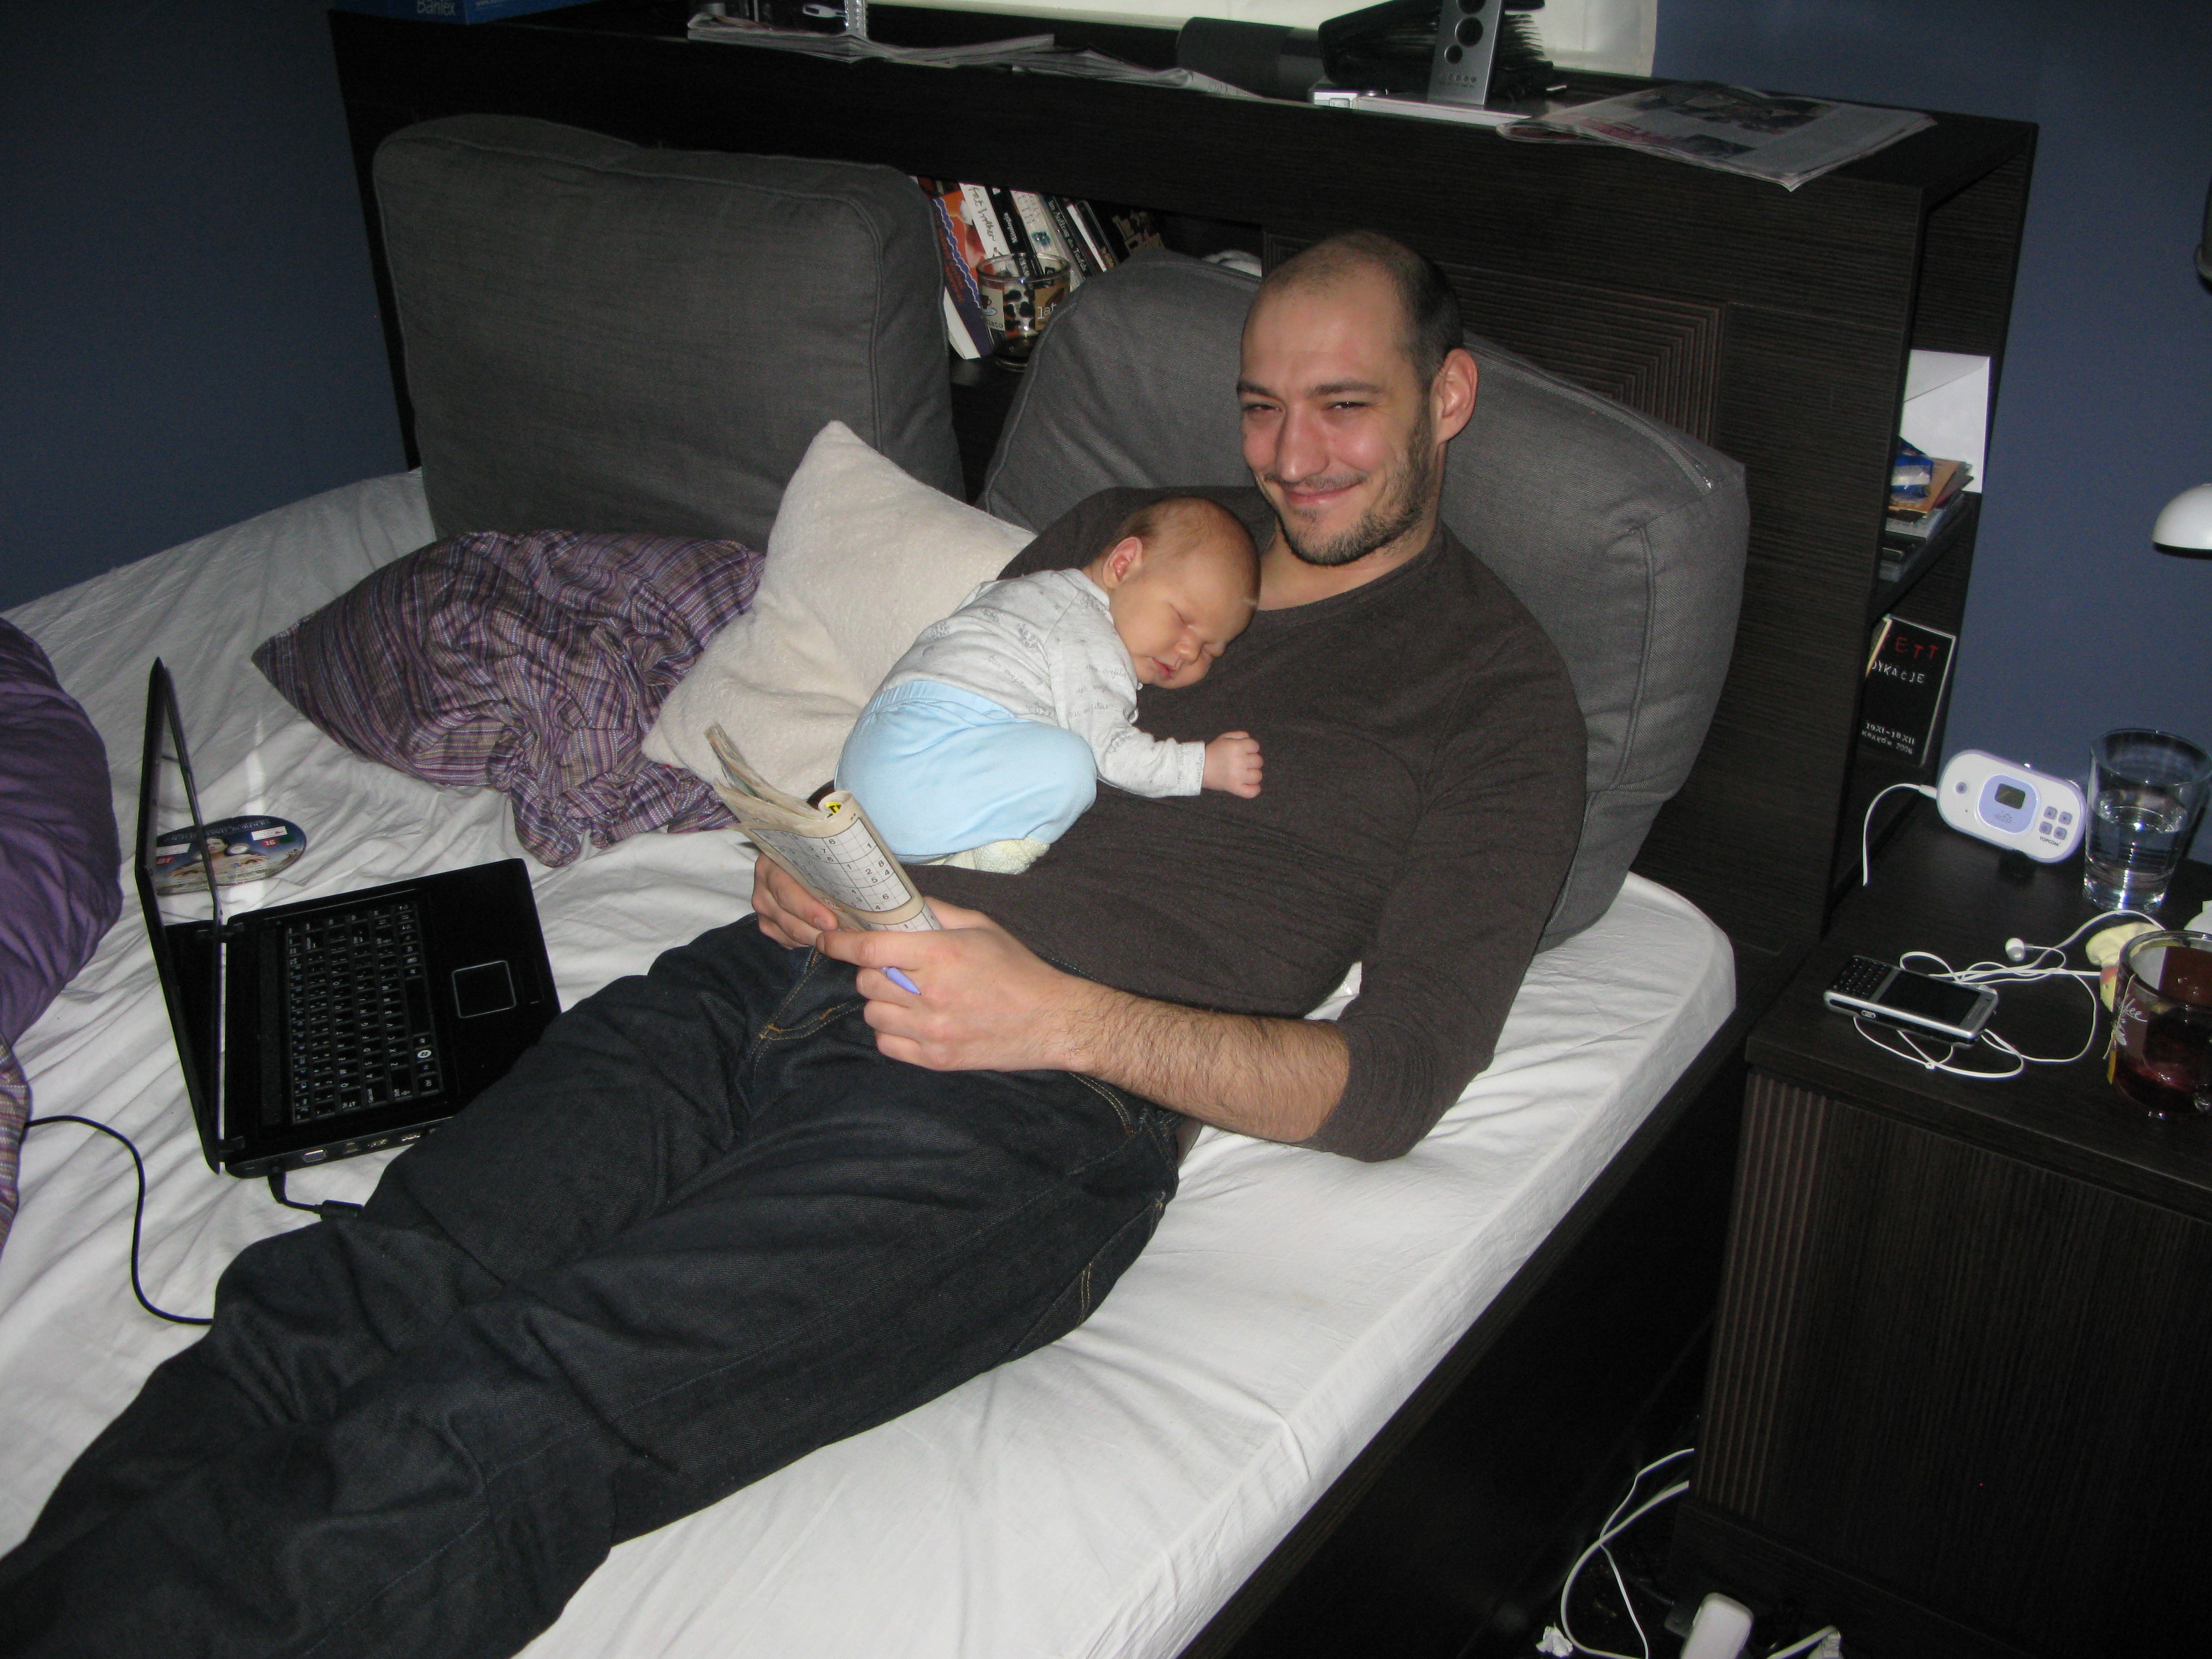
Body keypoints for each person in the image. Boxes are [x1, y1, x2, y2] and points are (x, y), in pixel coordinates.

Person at [0, 231, 1585, 1659]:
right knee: (344, 1293)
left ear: (1445, 397)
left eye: (1343, 408)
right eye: (1260, 407)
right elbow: (924, 721)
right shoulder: (1131, 531)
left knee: (519, 1401)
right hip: (766, 978)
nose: (1290, 457)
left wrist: (1062, 1017)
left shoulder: (1498, 700)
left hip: (1024, 1109)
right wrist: (821, 854)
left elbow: (1390, 1085)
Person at [838, 493, 1265, 872]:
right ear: (1122, 566)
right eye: (1183, 618)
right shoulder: (1092, 635)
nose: (1188, 651)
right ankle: (977, 861)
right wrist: (1201, 766)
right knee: (1073, 767)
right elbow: (1113, 754)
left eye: (1210, 651)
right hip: (921, 760)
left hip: (869, 754)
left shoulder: (1032, 591)